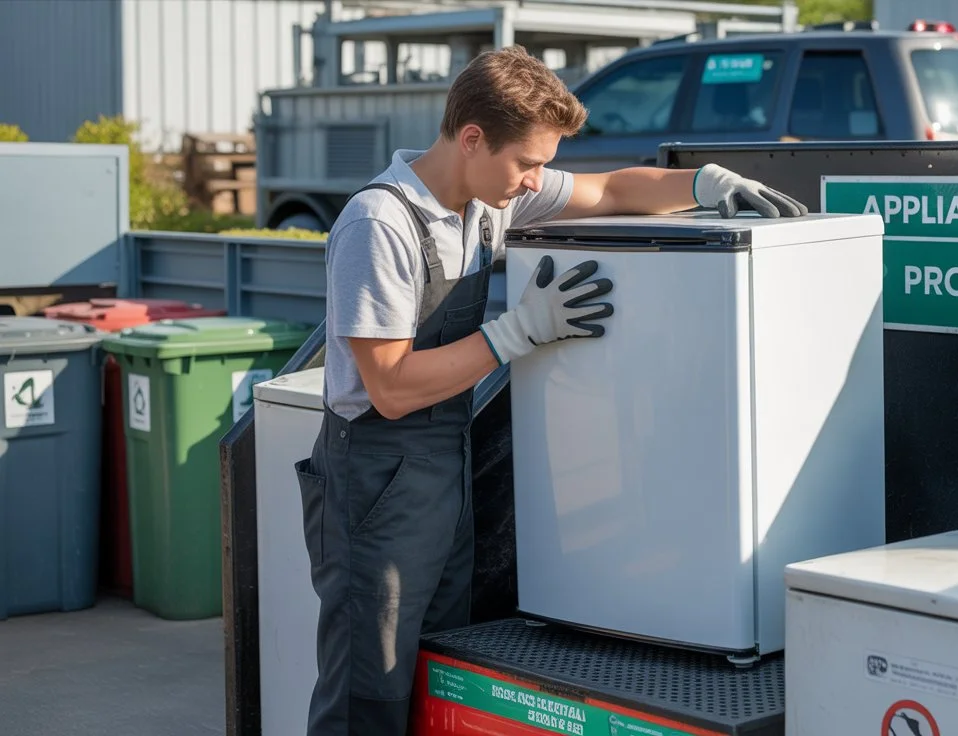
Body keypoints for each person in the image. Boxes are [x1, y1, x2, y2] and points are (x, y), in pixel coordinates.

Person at [293, 44, 806, 736]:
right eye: (527, 163)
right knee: (366, 698)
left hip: (443, 468)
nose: (537, 182)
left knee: (435, 674)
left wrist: (703, 186)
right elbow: (387, 386)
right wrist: (516, 333)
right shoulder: (378, 225)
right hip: (373, 481)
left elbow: (613, 191)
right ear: (471, 139)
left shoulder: (485, 204)